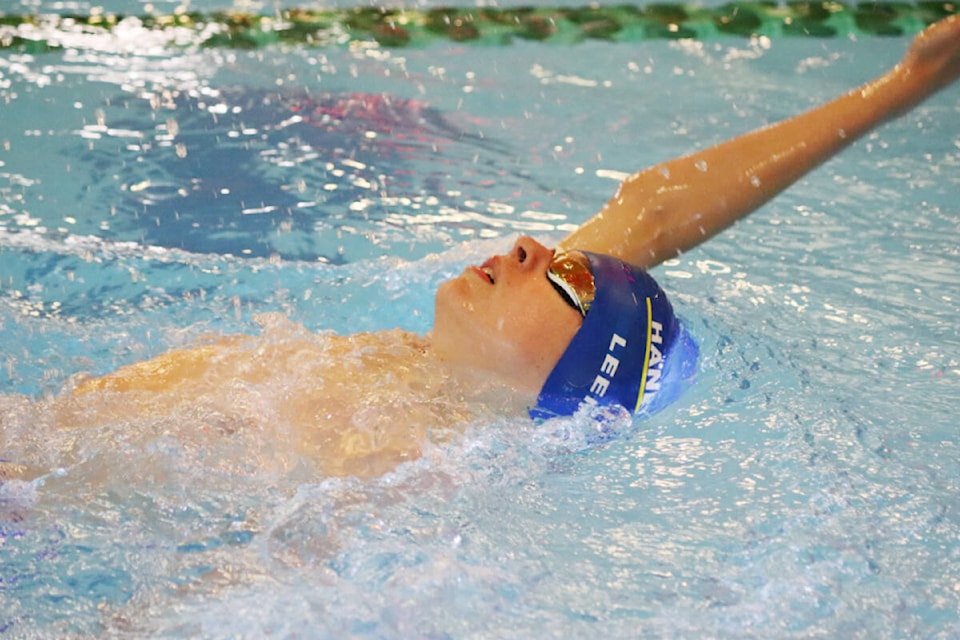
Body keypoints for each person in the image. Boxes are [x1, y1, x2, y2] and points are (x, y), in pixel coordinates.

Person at [6, 15, 960, 479]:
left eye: (567, 282)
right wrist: (902, 86)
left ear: (563, 372)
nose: (533, 245)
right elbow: (659, 206)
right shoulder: (422, 374)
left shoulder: (407, 454)